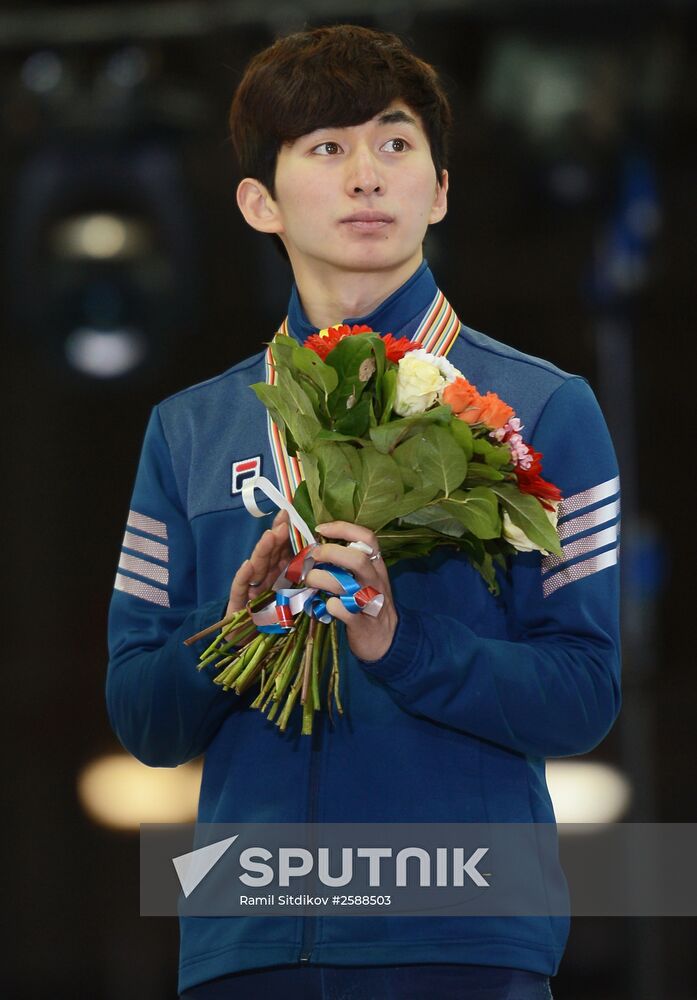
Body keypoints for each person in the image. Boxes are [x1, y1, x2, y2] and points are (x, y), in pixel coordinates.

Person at [106, 24, 621, 1000]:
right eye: (326, 148)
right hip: (246, 941)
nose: (365, 178)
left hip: (462, 933)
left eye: (393, 145)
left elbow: (583, 693)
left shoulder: (544, 410)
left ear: (438, 190)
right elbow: (145, 717)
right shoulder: (191, 430)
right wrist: (239, 633)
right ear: (260, 201)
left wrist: (396, 641)